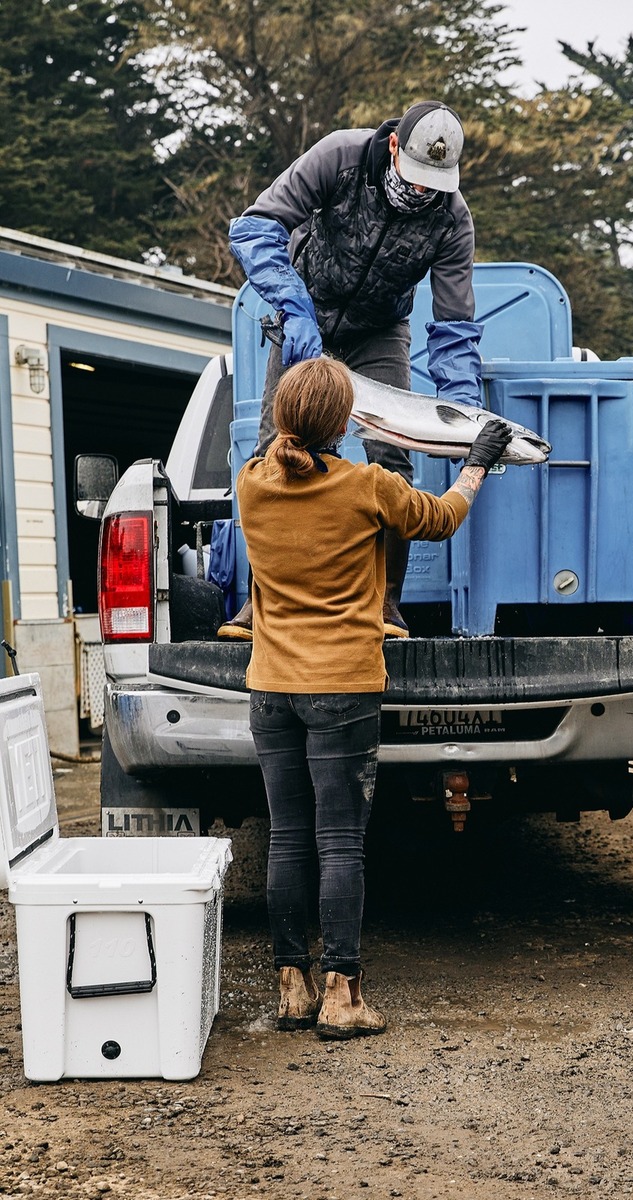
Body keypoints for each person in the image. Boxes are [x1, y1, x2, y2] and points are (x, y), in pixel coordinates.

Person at [238, 355, 510, 1039]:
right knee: (340, 844)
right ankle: (344, 995)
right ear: (347, 423)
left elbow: (285, 454)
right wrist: (477, 459)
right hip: (343, 685)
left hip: (271, 687)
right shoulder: (369, 486)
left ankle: (291, 989)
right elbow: (444, 517)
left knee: (289, 839)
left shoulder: (251, 484)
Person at [219, 99, 482, 642]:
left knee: (393, 458)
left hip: (379, 331)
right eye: (416, 178)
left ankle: (386, 606)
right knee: (276, 450)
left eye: (436, 183)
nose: (423, 192)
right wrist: (293, 308)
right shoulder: (338, 156)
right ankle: (261, 604)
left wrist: (462, 417)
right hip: (304, 312)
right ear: (393, 148)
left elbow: (455, 327)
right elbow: (254, 228)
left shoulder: (453, 221)